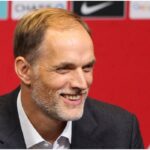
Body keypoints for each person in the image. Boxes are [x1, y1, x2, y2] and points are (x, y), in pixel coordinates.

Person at [0, 8, 144, 149]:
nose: (81, 84)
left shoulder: (121, 132)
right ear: (24, 71)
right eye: (64, 69)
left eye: (87, 67)